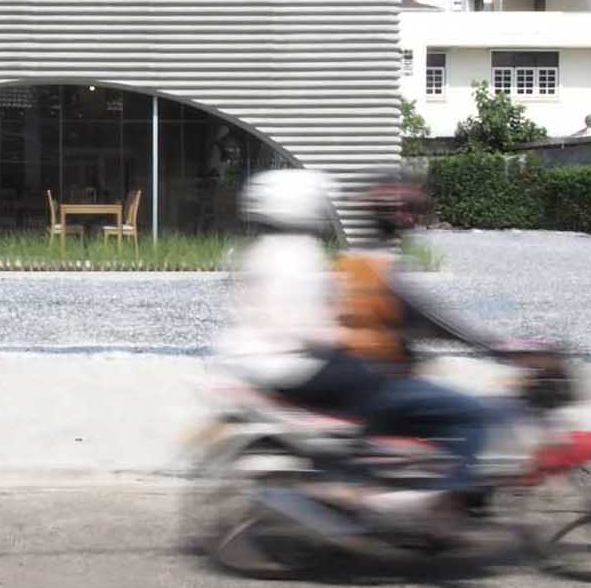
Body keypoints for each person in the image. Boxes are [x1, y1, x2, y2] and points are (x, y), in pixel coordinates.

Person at [215, 167, 518, 522]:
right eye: (408, 208)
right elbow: (436, 322)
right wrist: (498, 347)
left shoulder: (321, 259)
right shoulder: (330, 261)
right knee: (470, 414)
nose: (413, 216)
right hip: (346, 376)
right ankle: (446, 502)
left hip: (274, 366)